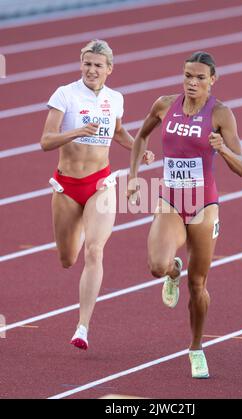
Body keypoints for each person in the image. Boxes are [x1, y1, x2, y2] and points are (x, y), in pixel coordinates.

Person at [127, 52, 242, 378]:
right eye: (187, 76)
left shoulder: (220, 113)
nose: (192, 83)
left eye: (199, 78)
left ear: (212, 80)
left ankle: (196, 348)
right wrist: (134, 175)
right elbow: (140, 137)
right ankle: (171, 271)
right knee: (156, 266)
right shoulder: (165, 105)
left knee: (198, 286)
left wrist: (221, 148)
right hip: (169, 200)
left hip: (204, 206)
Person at [40, 40, 154, 350]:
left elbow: (118, 132)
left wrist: (139, 150)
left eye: (98, 65)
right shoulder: (65, 95)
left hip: (100, 184)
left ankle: (82, 327)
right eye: (87, 63)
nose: (92, 69)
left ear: (109, 69)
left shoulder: (115, 98)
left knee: (95, 251)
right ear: (81, 65)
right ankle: (75, 230)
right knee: (68, 258)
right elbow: (46, 141)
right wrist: (76, 131)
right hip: (66, 187)